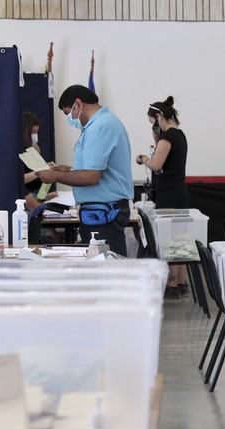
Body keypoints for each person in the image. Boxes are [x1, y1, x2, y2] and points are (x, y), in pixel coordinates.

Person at [35, 85, 134, 257]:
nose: (70, 118)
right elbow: (97, 167)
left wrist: (55, 176)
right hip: (101, 211)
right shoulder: (102, 123)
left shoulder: (100, 126)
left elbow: (91, 176)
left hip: (104, 213)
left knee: (108, 273)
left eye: (68, 112)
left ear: (78, 104)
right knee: (105, 271)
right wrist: (66, 169)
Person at [137, 96, 190, 297]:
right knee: (180, 238)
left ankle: (171, 284)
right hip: (179, 192)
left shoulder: (167, 138)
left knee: (168, 240)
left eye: (153, 124)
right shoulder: (180, 135)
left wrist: (143, 158)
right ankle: (181, 283)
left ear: (159, 118)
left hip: (169, 193)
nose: (153, 129)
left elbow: (156, 165)